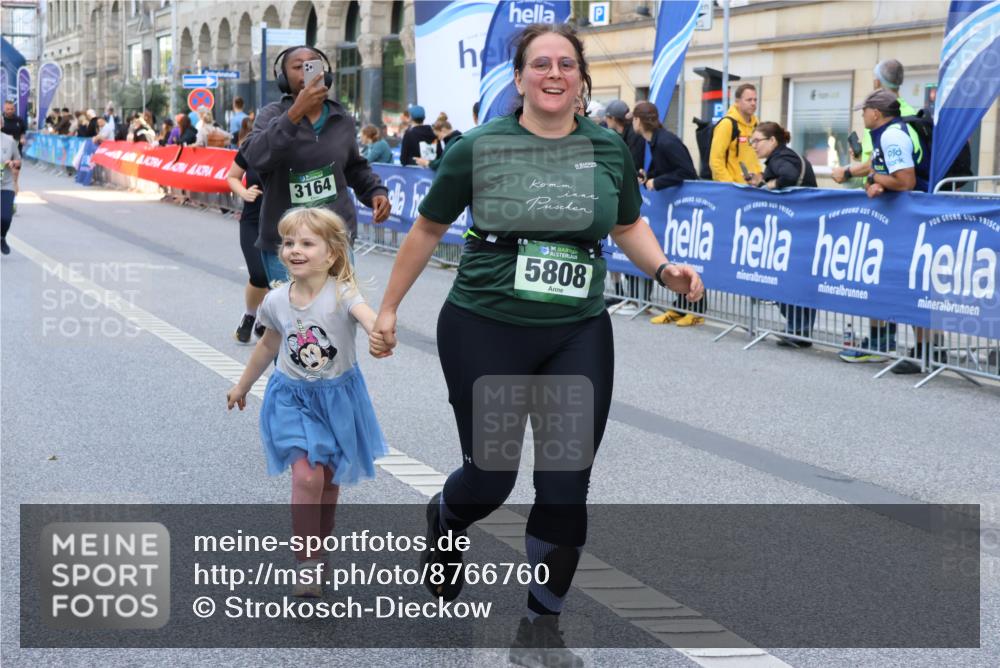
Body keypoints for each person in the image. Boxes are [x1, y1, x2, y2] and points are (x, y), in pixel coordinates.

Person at [369, 23, 703, 664]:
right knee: (490, 478)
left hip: (577, 330)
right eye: (541, 63)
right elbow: (427, 229)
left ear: (581, 79)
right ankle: (448, 517)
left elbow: (628, 224)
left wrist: (664, 269)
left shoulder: (607, 148)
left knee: (565, 484)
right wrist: (388, 309)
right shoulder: (478, 146)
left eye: (567, 64)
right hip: (486, 327)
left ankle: (539, 629)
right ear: (519, 77)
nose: (554, 73)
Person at [226, 207, 389, 597]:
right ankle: (307, 562)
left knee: (329, 483)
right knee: (307, 476)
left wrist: (378, 333)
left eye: (306, 243)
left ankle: (319, 548)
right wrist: (243, 385)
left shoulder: (343, 294)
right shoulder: (275, 300)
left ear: (331, 254)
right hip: (291, 398)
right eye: (288, 242)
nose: (294, 250)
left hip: (338, 400)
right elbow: (268, 345)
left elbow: (368, 317)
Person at [242, 45, 390, 285]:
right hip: (287, 242)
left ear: (325, 74)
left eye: (312, 64)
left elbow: (354, 166)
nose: (305, 70)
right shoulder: (271, 115)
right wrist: (295, 113)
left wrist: (375, 192)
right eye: (297, 66)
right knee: (293, 308)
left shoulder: (341, 118)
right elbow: (256, 156)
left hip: (334, 238)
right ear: (283, 79)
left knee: (338, 305)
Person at [837, 89, 939, 373]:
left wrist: (874, 179)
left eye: (864, 110)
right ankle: (908, 347)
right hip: (904, 218)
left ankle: (924, 352)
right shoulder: (886, 134)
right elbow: (885, 170)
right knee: (901, 282)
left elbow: (905, 181)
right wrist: (877, 182)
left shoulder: (893, 135)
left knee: (914, 284)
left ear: (876, 113)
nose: (862, 115)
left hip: (913, 219)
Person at [748, 121, 818, 347]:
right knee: (795, 278)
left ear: (772, 141)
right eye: (751, 142)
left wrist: (769, 185)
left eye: (757, 141)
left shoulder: (781, 158)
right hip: (801, 226)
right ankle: (799, 330)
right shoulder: (785, 156)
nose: (753, 146)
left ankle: (798, 329)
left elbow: (788, 176)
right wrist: (762, 180)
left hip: (794, 228)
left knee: (781, 276)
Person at [832, 59, 919, 187]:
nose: (863, 115)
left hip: (885, 188)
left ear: (877, 82)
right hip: (876, 185)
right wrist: (861, 154)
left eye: (864, 111)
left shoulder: (887, 117)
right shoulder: (910, 111)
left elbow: (882, 161)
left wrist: (847, 172)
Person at [226, 119, 269, 343]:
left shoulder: (290, 148)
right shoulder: (251, 146)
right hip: (252, 221)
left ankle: (264, 317)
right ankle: (250, 315)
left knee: (276, 278)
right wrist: (243, 192)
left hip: (280, 223)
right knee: (259, 274)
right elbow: (232, 176)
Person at [709, 82, 762, 183]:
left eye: (755, 100)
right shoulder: (727, 124)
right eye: (749, 100)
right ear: (737, 102)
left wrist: (759, 177)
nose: (753, 103)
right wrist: (729, 185)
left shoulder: (756, 124)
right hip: (733, 187)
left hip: (752, 187)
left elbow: (755, 157)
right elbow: (715, 160)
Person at [604, 100, 644, 175]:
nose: (605, 120)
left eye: (607, 117)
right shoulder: (621, 133)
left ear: (613, 118)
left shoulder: (633, 135)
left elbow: (634, 164)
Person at [1, 130, 21, 255]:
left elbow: (18, 160)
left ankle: (2, 237)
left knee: (6, 218)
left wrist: (13, 163)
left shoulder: (9, 140)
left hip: (6, 184)